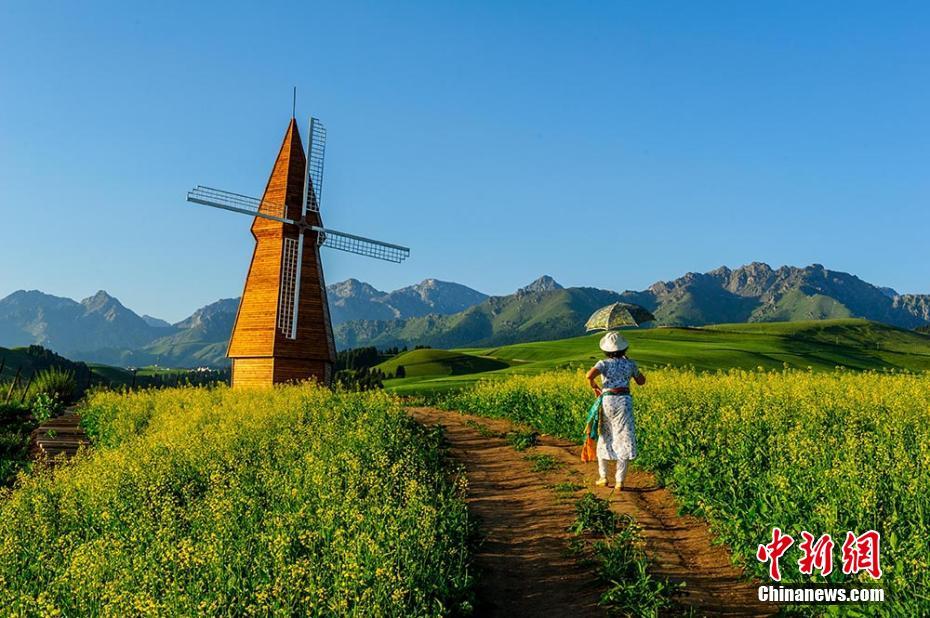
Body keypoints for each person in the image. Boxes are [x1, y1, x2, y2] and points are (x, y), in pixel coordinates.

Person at [585, 331, 645, 489]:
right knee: (624, 436)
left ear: (606, 350)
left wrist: (594, 385)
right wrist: (630, 367)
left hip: (608, 401)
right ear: (624, 349)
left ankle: (603, 477)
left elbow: (589, 375)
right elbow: (641, 381)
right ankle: (620, 481)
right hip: (624, 401)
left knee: (604, 434)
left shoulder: (603, 364)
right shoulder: (630, 364)